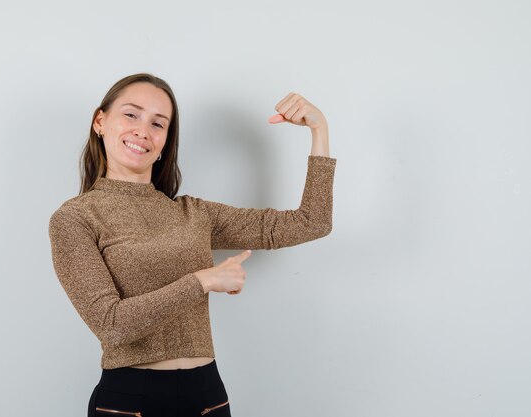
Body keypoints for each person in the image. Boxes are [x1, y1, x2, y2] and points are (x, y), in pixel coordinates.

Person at [48, 72, 337, 417]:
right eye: (131, 114)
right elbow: (112, 325)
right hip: (130, 401)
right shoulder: (76, 218)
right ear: (100, 121)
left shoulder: (193, 213)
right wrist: (204, 280)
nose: (143, 130)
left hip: (207, 395)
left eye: (158, 123)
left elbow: (312, 222)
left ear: (165, 142)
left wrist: (320, 130)